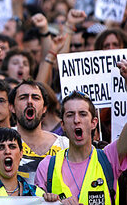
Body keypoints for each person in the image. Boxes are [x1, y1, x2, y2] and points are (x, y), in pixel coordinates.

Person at [0, 43, 69, 185]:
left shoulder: (65, 145)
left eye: (35, 98)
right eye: (23, 98)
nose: (29, 102)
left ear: (44, 108)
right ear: (11, 107)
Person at [35, 67, 127, 205]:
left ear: (94, 123)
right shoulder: (47, 167)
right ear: (63, 125)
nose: (76, 120)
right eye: (70, 115)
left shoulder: (109, 157)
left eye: (83, 114)